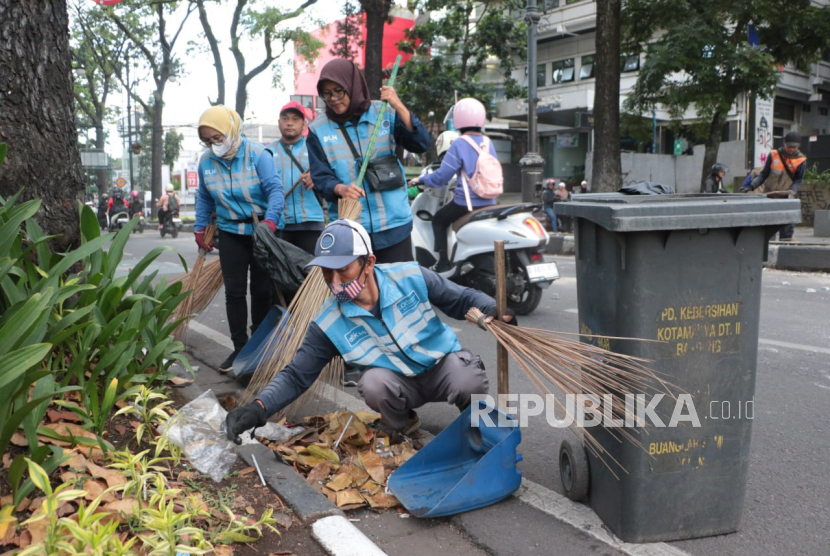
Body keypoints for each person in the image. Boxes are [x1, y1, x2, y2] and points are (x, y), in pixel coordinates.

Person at [224, 218, 516, 444]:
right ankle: (399, 424)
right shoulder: (328, 323)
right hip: (400, 386)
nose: (335, 281)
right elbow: (297, 375)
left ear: (368, 263)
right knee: (373, 382)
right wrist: (258, 408)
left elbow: (463, 299)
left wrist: (493, 309)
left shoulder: (409, 276)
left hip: (443, 369)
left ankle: (481, 427)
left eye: (344, 269)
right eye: (327, 272)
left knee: (467, 377)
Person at [306, 59, 431, 264]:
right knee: (358, 295)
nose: (334, 98)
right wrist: (340, 189)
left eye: (339, 91)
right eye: (327, 94)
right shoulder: (317, 129)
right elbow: (320, 177)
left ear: (352, 85)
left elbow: (421, 143)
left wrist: (398, 104)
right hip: (351, 233)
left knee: (397, 290)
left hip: (394, 226)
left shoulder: (385, 112)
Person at [195, 105, 285, 371]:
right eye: (208, 141)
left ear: (231, 130)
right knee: (234, 293)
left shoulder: (259, 154)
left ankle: (258, 347)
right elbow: (204, 197)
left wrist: (270, 222)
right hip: (230, 232)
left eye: (217, 138)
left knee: (261, 291)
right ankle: (239, 349)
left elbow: (275, 191)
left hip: (260, 230)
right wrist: (200, 229)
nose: (214, 145)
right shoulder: (206, 162)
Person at [409, 98, 499, 272]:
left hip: (468, 202)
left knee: (439, 220)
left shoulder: (460, 143)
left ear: (458, 120)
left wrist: (420, 180)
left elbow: (441, 177)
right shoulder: (488, 142)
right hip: (490, 200)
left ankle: (443, 262)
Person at [265, 101, 324, 255]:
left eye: (295, 119)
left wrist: (318, 177)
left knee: (312, 274)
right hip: (279, 225)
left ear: (304, 124)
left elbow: (333, 176)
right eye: (285, 119)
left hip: (312, 223)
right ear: (279, 123)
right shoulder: (266, 153)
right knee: (282, 276)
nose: (290, 123)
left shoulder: (316, 148)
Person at [742, 131, 807, 241]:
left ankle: (785, 249)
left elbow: (798, 179)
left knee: (786, 229)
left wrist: (793, 189)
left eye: (794, 147)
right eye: (789, 146)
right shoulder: (773, 155)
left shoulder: (801, 161)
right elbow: (763, 175)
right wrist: (752, 185)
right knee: (767, 228)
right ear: (784, 143)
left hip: (787, 197)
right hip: (769, 196)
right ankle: (766, 250)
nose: (791, 149)